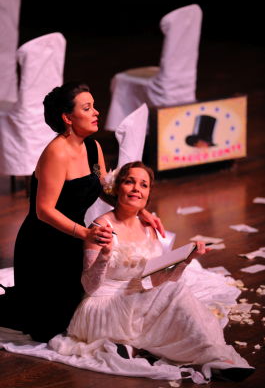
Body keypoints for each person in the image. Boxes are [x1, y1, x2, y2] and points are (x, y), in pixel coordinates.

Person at [50, 161, 254, 383]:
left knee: (175, 292)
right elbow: (89, 286)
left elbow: (156, 279)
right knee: (175, 294)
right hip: (104, 306)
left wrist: (186, 260)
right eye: (130, 182)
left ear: (148, 195)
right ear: (117, 188)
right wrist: (105, 256)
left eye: (143, 185)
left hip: (136, 300)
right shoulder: (101, 227)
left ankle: (212, 355)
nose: (137, 188)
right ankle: (212, 357)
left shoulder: (149, 228)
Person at [0, 82, 164, 343]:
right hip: (43, 245)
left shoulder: (92, 148)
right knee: (49, 329)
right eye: (87, 108)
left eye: (94, 106)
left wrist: (139, 210)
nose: (96, 112)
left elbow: (103, 188)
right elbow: (44, 211)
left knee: (80, 315)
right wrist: (86, 232)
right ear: (68, 118)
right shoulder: (56, 153)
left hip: (74, 239)